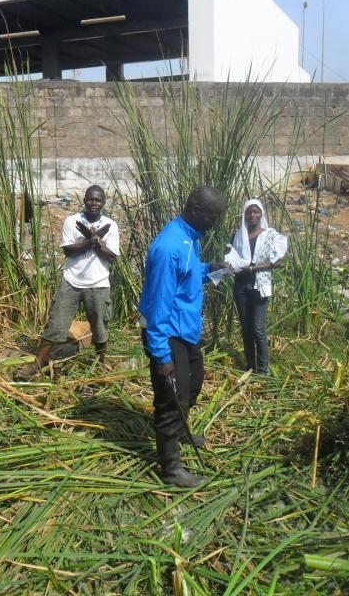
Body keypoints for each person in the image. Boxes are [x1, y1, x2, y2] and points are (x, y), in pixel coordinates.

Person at [138, 185, 227, 488]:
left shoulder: (190, 237)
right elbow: (158, 304)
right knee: (171, 398)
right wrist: (161, 356)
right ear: (195, 210)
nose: (216, 222)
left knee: (193, 384)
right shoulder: (169, 247)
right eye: (213, 216)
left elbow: (185, 275)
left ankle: (179, 433)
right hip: (168, 334)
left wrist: (207, 270)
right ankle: (171, 468)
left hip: (186, 331)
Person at [18, 185, 119, 378]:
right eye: (90, 199)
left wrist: (98, 242)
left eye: (98, 200)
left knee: (99, 326)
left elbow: (111, 256)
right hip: (71, 281)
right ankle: (38, 365)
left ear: (103, 203)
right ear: (84, 200)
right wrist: (91, 240)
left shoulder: (111, 225)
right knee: (56, 324)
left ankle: (101, 362)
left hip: (98, 283)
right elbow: (68, 250)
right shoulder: (71, 221)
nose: (94, 203)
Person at [230, 199, 288, 375]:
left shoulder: (270, 235)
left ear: (261, 213)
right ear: (244, 215)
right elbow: (231, 256)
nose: (252, 215)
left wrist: (253, 268)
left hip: (259, 285)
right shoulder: (238, 235)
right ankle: (250, 365)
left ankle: (263, 370)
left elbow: (277, 262)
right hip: (240, 285)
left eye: (255, 212)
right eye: (248, 212)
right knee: (246, 328)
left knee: (258, 329)